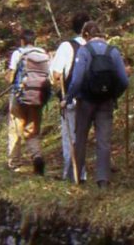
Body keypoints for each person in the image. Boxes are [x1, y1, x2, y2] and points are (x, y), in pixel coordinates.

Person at [66, 21, 130, 188]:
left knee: (80, 138)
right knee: (103, 141)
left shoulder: (84, 50)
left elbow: (77, 79)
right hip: (106, 102)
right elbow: (124, 81)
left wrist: (68, 98)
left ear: (86, 35)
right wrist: (114, 95)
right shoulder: (113, 51)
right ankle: (103, 180)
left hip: (85, 101)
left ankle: (75, 177)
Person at [50, 13, 89, 182]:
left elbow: (56, 74)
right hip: (94, 99)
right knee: (83, 136)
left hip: (72, 98)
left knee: (70, 136)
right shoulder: (96, 45)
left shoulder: (67, 46)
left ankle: (72, 173)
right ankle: (84, 173)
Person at [6, 29, 49, 175]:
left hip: (19, 97)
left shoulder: (18, 53)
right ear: (35, 41)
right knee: (33, 132)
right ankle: (37, 156)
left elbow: (10, 78)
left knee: (15, 130)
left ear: (22, 41)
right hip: (37, 97)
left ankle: (15, 163)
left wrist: (9, 77)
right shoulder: (43, 54)